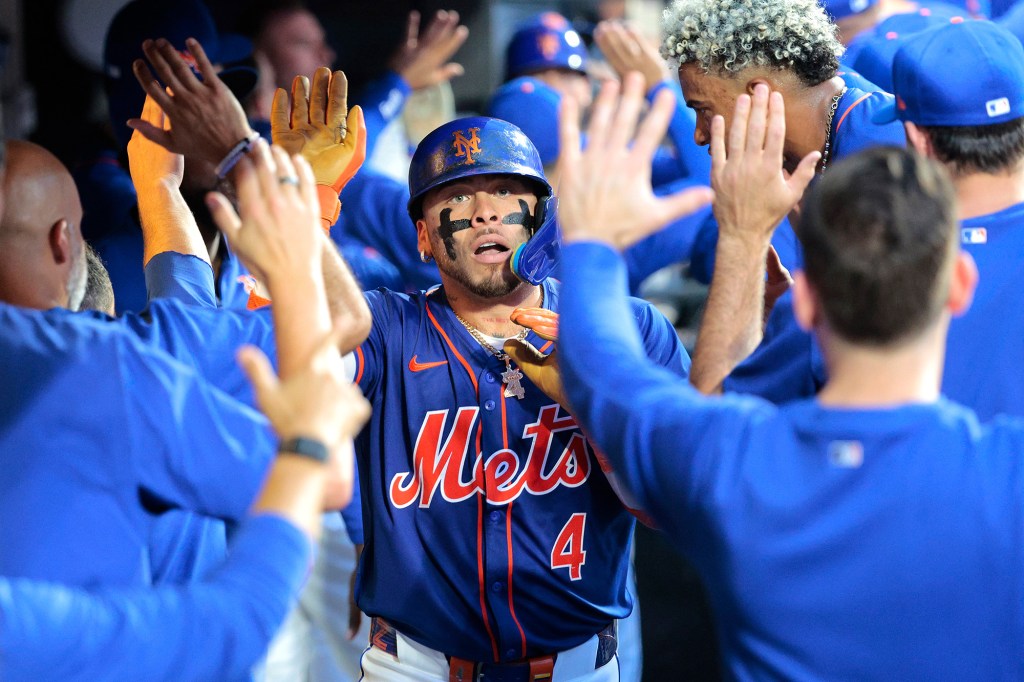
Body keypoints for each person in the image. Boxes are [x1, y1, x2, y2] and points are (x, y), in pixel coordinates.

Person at [550, 66, 1023, 680]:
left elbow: (600, 369)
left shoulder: (729, 460)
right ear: (959, 286)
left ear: (801, 299)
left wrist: (592, 244)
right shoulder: (1009, 473)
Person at [324, 110, 705, 680]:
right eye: (456, 195)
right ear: (424, 237)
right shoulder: (384, 329)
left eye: (505, 189)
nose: (483, 211)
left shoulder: (627, 329)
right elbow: (293, 350)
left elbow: (678, 505)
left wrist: (591, 399)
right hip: (417, 667)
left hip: (579, 667)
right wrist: (306, 204)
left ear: (540, 219)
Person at [0, 132, 373, 680]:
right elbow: (324, 460)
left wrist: (161, 189)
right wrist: (276, 186)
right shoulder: (104, 365)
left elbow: (184, 313)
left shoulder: (125, 359)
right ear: (64, 242)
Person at [661, 0, 907, 401]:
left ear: (758, 94)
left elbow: (712, 406)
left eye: (703, 111)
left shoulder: (883, 156)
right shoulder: (811, 138)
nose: (700, 135)